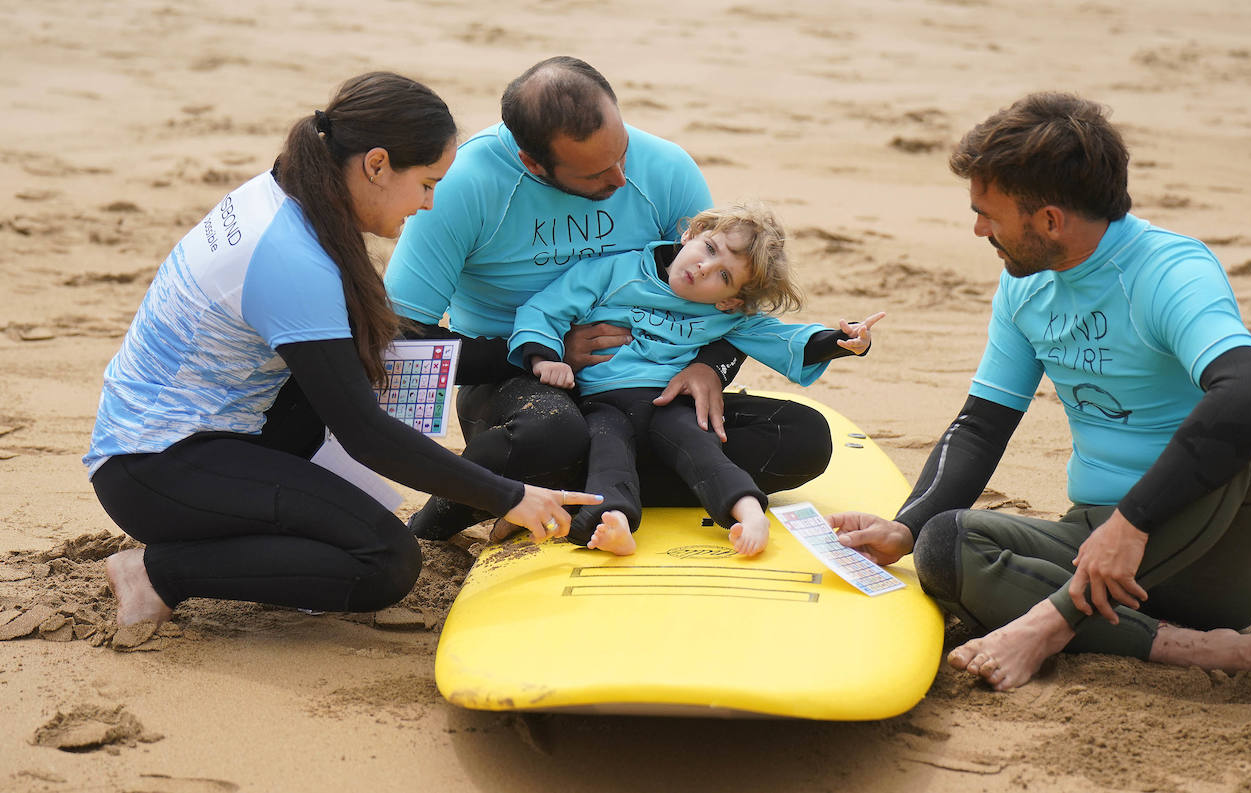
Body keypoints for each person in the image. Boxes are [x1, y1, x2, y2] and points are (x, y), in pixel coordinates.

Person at [827, 92, 1251, 691]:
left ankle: (1051, 624)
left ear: (1050, 220)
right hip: (1095, 542)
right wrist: (907, 526)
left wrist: (1130, 523)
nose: (979, 229)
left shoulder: (1168, 272)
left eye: (989, 214)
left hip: (1214, 553)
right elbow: (981, 424)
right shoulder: (1024, 288)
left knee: (1237, 429)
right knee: (945, 543)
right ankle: (1178, 646)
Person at [84, 72, 599, 627]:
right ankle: (158, 574)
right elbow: (366, 434)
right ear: (376, 164)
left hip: (214, 432)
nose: (428, 204)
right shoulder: (290, 255)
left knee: (354, 473)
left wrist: (538, 351)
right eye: (427, 183)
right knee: (382, 560)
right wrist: (510, 495)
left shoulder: (295, 195)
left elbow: (382, 344)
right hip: (154, 465)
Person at [383, 56, 834, 542]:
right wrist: (548, 354)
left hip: (654, 392)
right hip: (521, 392)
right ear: (532, 163)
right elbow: (402, 340)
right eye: (597, 173)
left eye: (622, 152)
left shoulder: (664, 166)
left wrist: (711, 365)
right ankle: (494, 501)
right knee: (553, 433)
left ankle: (573, 490)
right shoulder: (464, 185)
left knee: (804, 439)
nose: (620, 178)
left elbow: (731, 296)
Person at [510, 203, 884, 556]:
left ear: (730, 301)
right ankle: (615, 522)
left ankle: (748, 510)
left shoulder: (724, 315)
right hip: (603, 403)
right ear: (692, 232)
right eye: (709, 248)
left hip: (670, 404)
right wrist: (545, 358)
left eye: (723, 275)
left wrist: (841, 341)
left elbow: (782, 338)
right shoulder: (616, 270)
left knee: (702, 444)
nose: (704, 267)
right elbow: (545, 308)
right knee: (609, 450)